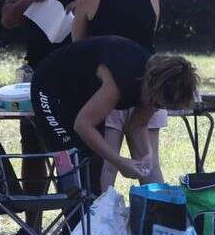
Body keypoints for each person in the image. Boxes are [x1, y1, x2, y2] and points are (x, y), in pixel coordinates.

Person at [1, 0, 97, 204]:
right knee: (34, 148)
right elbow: (7, 20)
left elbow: (109, 11)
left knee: (81, 144)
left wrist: (83, 7)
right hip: (39, 69)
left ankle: (83, 214)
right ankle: (31, 223)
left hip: (82, 69)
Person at [31, 36, 198, 190]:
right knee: (74, 166)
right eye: (155, 102)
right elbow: (83, 125)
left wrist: (148, 153)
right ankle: (76, 218)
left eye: (160, 106)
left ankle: (89, 217)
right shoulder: (121, 80)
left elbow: (138, 125)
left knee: (93, 169)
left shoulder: (154, 88)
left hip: (80, 94)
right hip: (50, 87)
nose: (155, 107)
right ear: (150, 83)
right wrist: (119, 162)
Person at [71, 0, 165, 187]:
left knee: (108, 169)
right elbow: (148, 36)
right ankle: (160, 218)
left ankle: (105, 222)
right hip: (147, 85)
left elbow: (76, 46)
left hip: (108, 89)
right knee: (150, 163)